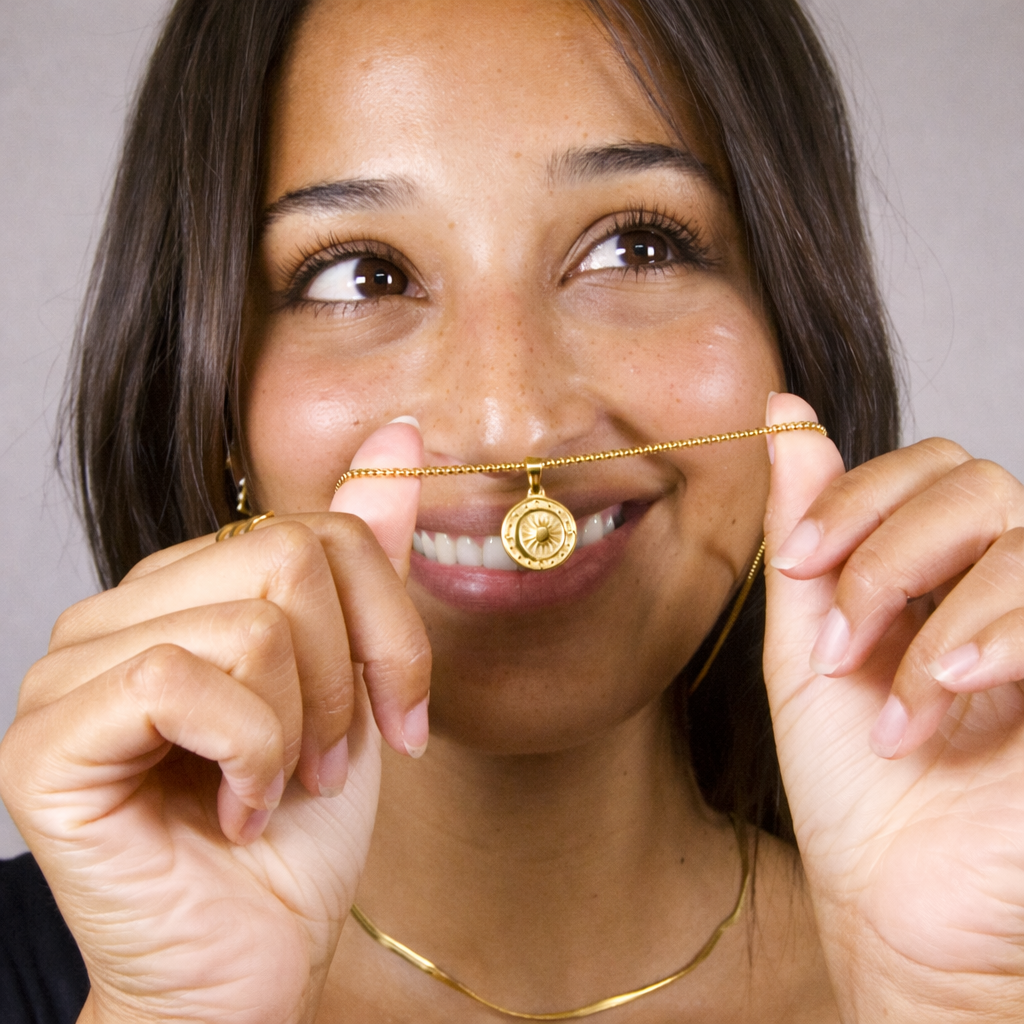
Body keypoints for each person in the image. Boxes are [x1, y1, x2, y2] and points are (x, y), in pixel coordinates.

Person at [1, 0, 1022, 1021]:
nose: (510, 422)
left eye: (637, 247)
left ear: (792, 335)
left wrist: (960, 1001)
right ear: (213, 398)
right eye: (362, 273)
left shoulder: (985, 935)